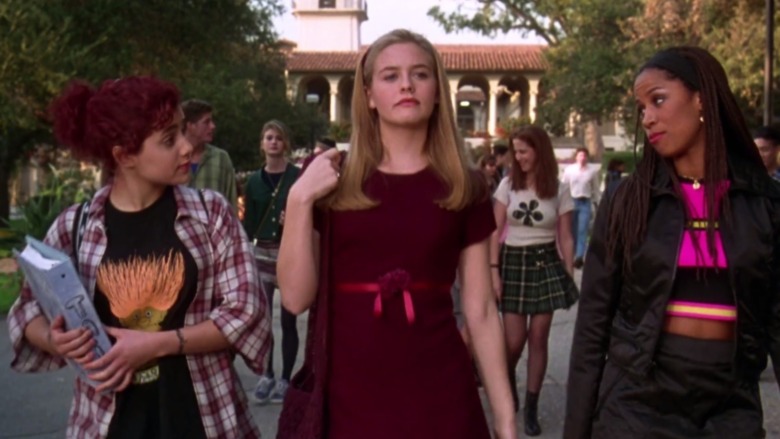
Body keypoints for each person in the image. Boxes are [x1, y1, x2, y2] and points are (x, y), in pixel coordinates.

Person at [276, 29, 516, 439]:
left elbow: (479, 311)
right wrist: (299, 199)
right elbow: (296, 298)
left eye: (419, 74)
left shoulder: (465, 185)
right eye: (390, 76)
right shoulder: (332, 178)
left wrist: (506, 419)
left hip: (442, 391)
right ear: (368, 94)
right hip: (348, 394)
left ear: (437, 90)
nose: (406, 84)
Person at [8, 77, 271, 438]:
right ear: (124, 155)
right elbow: (26, 310)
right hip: (106, 421)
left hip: (204, 416)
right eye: (169, 140)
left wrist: (160, 343)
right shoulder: (77, 225)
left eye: (183, 132)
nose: (186, 148)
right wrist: (55, 340)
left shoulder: (211, 216)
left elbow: (246, 311)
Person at [565, 46, 780, 439]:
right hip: (637, 405)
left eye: (658, 100)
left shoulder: (764, 204)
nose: (647, 117)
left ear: (702, 98)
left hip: (729, 407)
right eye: (641, 107)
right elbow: (592, 327)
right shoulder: (628, 200)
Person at [491, 125, 578, 436]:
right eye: (515, 151)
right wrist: (493, 271)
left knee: (539, 336)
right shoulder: (506, 186)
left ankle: (531, 406)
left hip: (545, 264)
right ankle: (507, 383)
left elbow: (566, 236)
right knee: (514, 341)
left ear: (539, 151)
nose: (518, 157)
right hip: (513, 262)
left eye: (523, 151)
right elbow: (493, 230)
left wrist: (568, 271)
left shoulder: (559, 188)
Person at [243, 120, 301, 404]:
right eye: (269, 138)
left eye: (279, 138)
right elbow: (248, 224)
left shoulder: (297, 177)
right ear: (262, 144)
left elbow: (312, 211)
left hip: (289, 252)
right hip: (261, 253)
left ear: (285, 143)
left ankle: (286, 379)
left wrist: (295, 217)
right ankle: (266, 374)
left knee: (289, 319)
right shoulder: (254, 181)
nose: (274, 142)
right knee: (264, 319)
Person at [182, 99, 239, 211]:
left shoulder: (221, 158)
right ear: (190, 125)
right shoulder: (172, 158)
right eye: (206, 122)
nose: (212, 126)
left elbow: (231, 203)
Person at [561, 147, 600, 269]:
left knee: (582, 230)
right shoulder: (569, 170)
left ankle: (579, 257)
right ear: (576, 157)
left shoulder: (592, 171)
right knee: (572, 230)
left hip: (585, 202)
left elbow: (596, 188)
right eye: (580, 155)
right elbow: (564, 186)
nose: (582, 158)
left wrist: (597, 203)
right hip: (572, 201)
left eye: (584, 156)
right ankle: (570, 255)